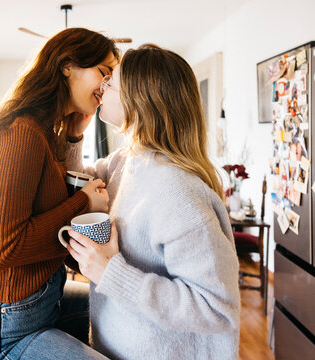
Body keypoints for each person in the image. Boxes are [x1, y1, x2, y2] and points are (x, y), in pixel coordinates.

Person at [66, 44, 241, 360]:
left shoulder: (179, 194)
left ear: (138, 100)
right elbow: (80, 179)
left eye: (111, 82)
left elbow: (217, 310)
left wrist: (110, 273)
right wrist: (74, 135)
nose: (101, 86)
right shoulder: (129, 160)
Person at [0, 28, 119, 360]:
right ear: (67, 65)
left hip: (42, 301)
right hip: (2, 331)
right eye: (104, 74)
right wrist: (84, 201)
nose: (107, 89)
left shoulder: (45, 134)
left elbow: (49, 203)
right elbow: (1, 249)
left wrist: (74, 136)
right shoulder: (22, 135)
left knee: (123, 309)